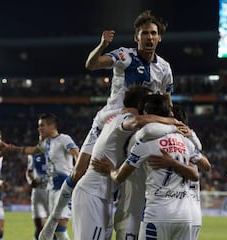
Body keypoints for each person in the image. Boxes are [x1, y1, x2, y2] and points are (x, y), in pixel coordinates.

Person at [39, 88, 183, 240]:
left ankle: (52, 220)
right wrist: (174, 123)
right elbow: (138, 121)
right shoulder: (126, 118)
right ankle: (52, 222)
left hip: (104, 197)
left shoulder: (113, 116)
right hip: (93, 194)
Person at [71, 9, 173, 200]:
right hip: (108, 121)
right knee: (79, 172)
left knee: (129, 181)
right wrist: (102, 45)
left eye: (153, 33)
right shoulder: (125, 56)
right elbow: (92, 65)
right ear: (136, 37)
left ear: (159, 38)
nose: (149, 37)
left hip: (135, 127)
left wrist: (175, 124)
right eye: (144, 33)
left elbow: (167, 101)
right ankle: (57, 220)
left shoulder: (164, 68)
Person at [92, 95, 205, 240]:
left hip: (158, 214)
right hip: (185, 216)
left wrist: (110, 169)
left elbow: (119, 177)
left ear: (147, 114)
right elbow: (198, 171)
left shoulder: (144, 143)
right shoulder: (185, 140)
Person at [14, 113, 79, 240]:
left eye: (42, 126)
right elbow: (32, 150)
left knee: (60, 226)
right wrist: (12, 148)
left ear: (52, 125)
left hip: (64, 187)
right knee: (54, 229)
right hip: (52, 189)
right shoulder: (47, 143)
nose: (39, 128)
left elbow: (77, 154)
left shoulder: (64, 139)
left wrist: (78, 174)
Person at [25, 135, 49, 240]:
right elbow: (29, 171)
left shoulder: (57, 153)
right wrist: (31, 180)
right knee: (39, 226)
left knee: (52, 227)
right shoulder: (33, 154)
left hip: (52, 193)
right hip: (38, 193)